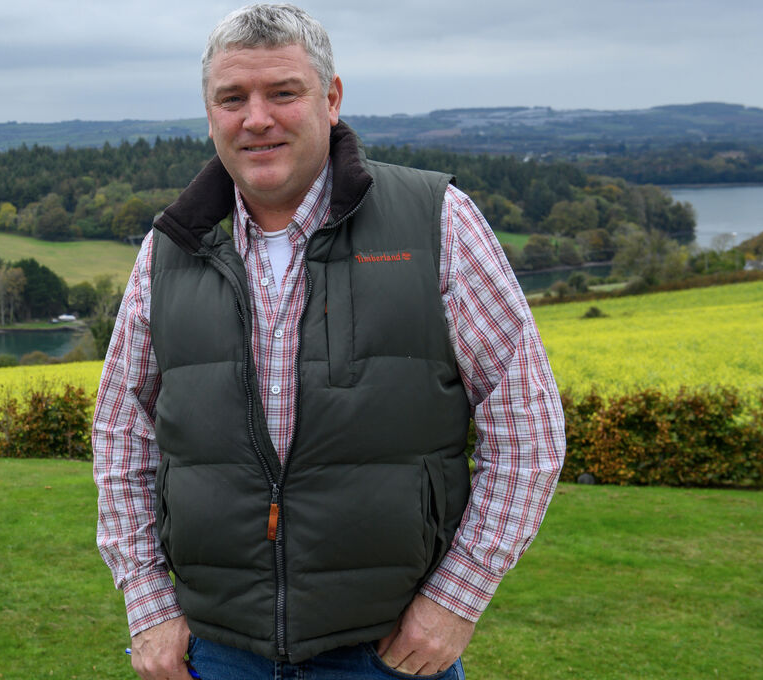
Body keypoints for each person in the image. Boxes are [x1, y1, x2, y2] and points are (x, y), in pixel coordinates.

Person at [93, 4, 565, 679]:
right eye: (233, 98)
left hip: (386, 654)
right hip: (219, 653)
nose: (257, 118)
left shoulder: (436, 221)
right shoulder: (169, 249)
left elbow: (527, 426)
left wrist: (457, 600)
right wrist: (147, 602)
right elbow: (121, 432)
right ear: (210, 113)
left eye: (283, 92)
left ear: (332, 97)